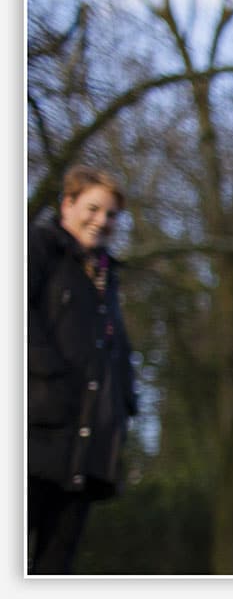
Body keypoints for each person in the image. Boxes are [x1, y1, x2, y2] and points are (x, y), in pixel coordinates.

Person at [27, 165, 138, 574]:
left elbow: (114, 350)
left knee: (55, 569)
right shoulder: (38, 246)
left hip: (84, 450)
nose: (102, 221)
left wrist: (126, 402)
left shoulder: (107, 276)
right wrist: (50, 376)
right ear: (67, 204)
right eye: (93, 209)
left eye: (111, 215)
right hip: (31, 437)